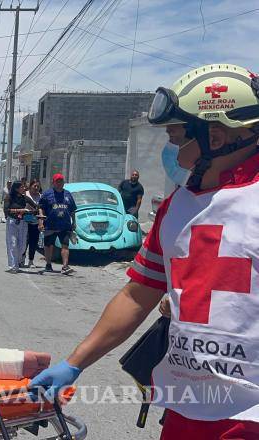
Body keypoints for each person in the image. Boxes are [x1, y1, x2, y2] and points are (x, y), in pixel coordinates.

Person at [29, 64, 259, 439]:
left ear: (215, 137)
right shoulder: (177, 207)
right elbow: (138, 294)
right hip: (185, 408)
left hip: (249, 418)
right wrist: (74, 363)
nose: (171, 147)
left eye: (177, 135)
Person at [37, 173, 76, 274]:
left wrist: (74, 222)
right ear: (53, 182)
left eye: (61, 181)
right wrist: (41, 222)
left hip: (65, 225)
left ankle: (65, 266)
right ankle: (48, 264)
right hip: (50, 225)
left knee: (65, 245)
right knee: (48, 245)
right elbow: (41, 207)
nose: (59, 183)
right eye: (57, 181)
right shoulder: (47, 194)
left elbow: (72, 210)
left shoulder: (68, 194)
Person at [3, 181, 32, 273]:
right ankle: (13, 265)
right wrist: (21, 210)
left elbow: (36, 206)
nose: (24, 188)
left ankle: (18, 261)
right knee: (13, 243)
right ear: (16, 188)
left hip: (23, 222)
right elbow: (7, 210)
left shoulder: (25, 198)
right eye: (22, 187)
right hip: (12, 222)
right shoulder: (9, 197)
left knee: (23, 245)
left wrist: (35, 211)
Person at [23, 179, 43, 268]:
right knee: (24, 241)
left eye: (38, 186)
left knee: (33, 242)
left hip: (35, 222)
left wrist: (41, 223)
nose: (36, 188)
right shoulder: (25, 194)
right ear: (30, 186)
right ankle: (21, 259)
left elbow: (41, 211)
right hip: (25, 221)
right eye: (34, 186)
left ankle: (31, 260)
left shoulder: (41, 197)